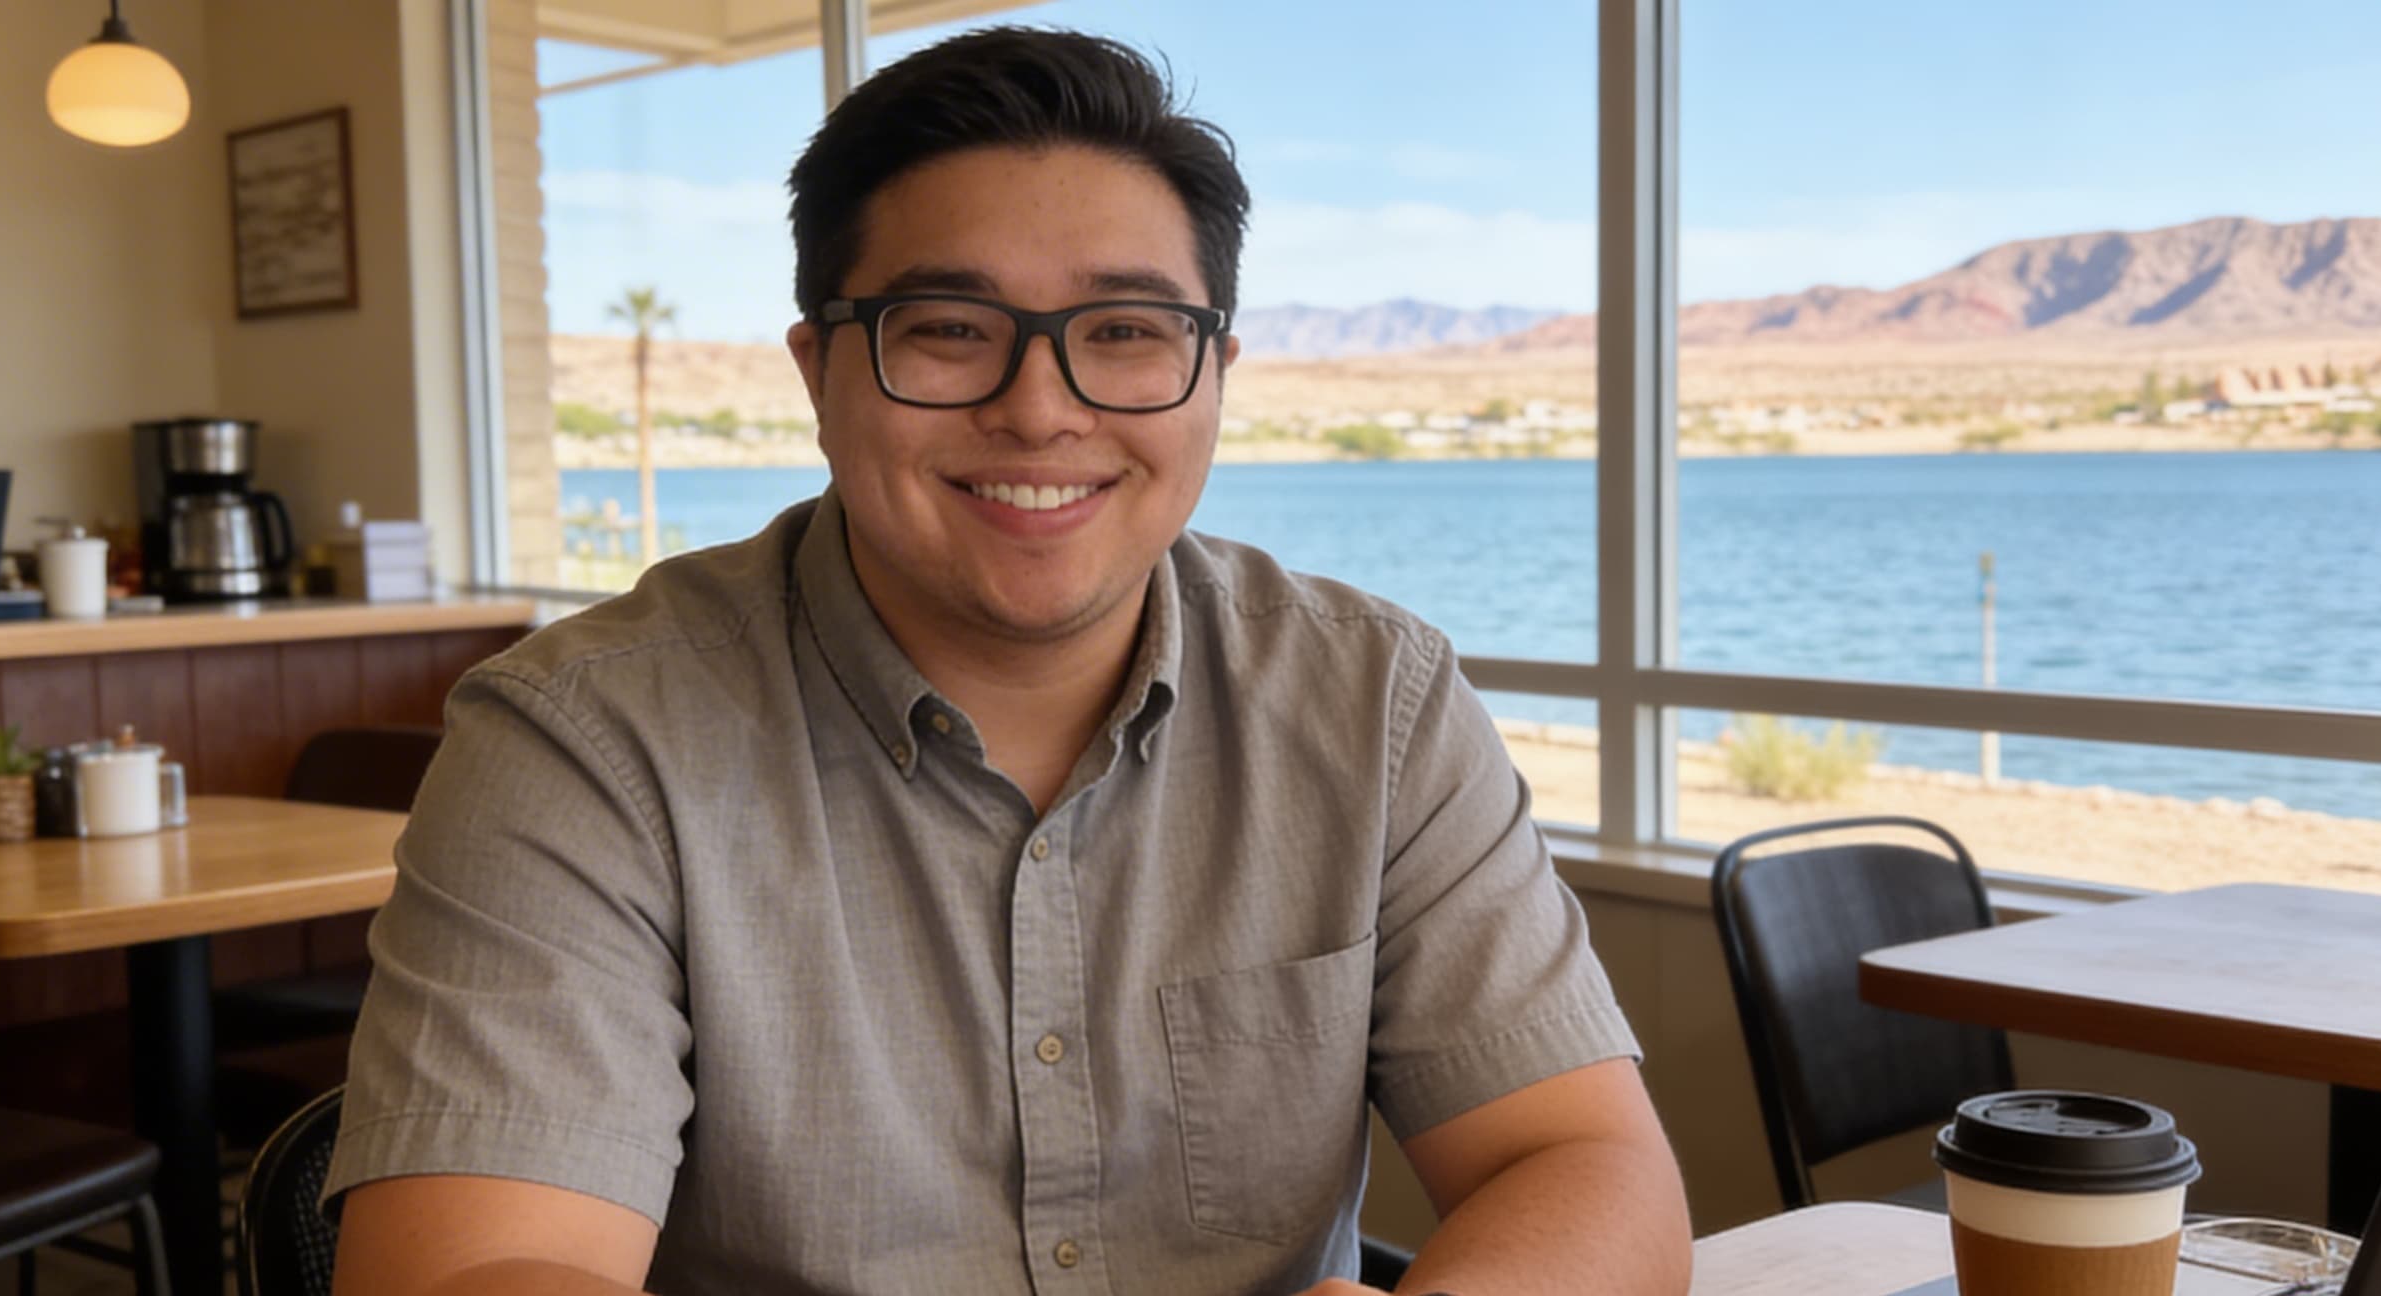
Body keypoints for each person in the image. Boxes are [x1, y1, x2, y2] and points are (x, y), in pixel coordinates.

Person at [327, 26, 1689, 1296]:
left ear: (1214, 374)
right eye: (949, 332)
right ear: (819, 374)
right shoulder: (585, 741)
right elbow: (478, 1269)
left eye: (1127, 334)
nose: (1040, 411)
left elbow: (1586, 1163)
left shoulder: (1372, 702)